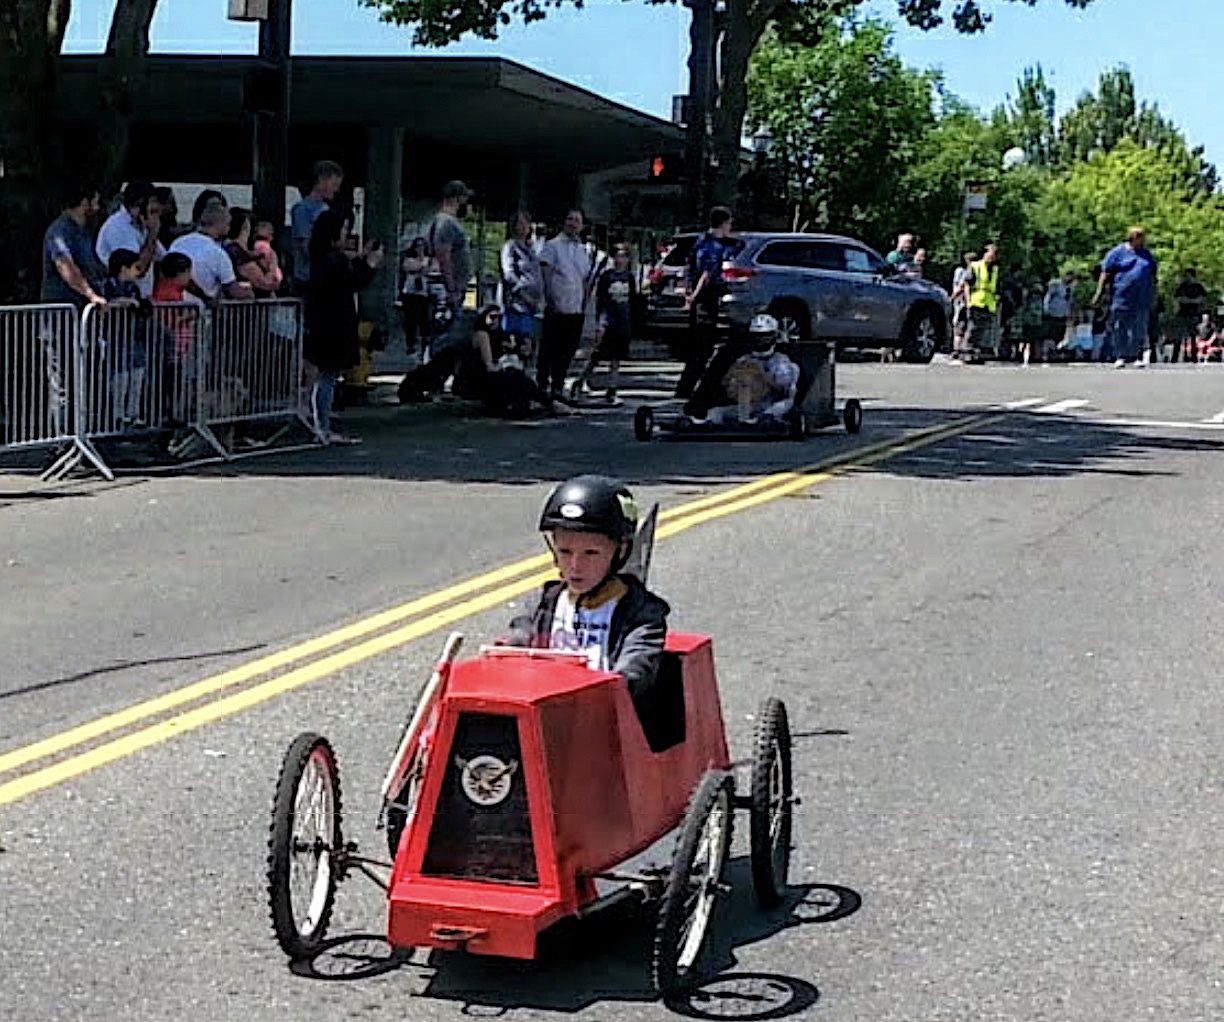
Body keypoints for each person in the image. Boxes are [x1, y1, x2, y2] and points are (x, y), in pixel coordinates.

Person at [504, 475, 669, 699]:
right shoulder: (543, 605)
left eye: (591, 553)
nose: (575, 566)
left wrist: (620, 683)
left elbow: (637, 667)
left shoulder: (642, 614)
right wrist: (507, 657)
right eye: (565, 552)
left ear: (620, 552)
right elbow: (515, 645)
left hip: (608, 721)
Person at [303, 209, 384, 445]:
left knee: (325, 376)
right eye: (344, 230)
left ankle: (320, 424)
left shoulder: (322, 258)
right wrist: (370, 264)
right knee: (328, 376)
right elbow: (353, 282)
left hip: (322, 322)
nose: (347, 235)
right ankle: (322, 427)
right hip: (333, 324)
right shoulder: (333, 261)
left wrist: (360, 258)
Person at [456, 304, 568, 418]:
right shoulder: (482, 335)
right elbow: (489, 365)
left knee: (518, 380)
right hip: (478, 378)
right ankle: (549, 403)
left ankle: (539, 404)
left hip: (490, 377)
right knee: (516, 377)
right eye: (492, 317)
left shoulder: (498, 336)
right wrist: (504, 367)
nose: (495, 321)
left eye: (498, 317)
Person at [700, 314, 800, 426]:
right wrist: (733, 381)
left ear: (774, 336)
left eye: (765, 336)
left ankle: (767, 419)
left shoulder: (781, 360)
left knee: (785, 404)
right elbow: (725, 385)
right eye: (757, 336)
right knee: (716, 411)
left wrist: (760, 375)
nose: (760, 340)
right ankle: (706, 422)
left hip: (769, 404)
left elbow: (784, 391)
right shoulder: (744, 359)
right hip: (747, 405)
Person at [677, 205, 735, 398]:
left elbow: (688, 267)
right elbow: (707, 273)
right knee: (703, 348)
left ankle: (688, 387)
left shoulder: (700, 241)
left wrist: (687, 292)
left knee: (698, 346)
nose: (730, 228)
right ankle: (688, 389)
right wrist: (695, 295)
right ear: (723, 223)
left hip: (698, 300)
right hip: (706, 300)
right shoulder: (714, 246)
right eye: (729, 224)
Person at [538, 209, 594, 398]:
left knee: (567, 350)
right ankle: (542, 385)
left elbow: (585, 278)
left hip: (575, 309)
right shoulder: (552, 246)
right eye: (570, 219)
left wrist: (584, 304)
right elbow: (545, 274)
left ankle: (558, 386)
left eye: (577, 220)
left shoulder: (582, 250)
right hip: (556, 307)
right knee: (549, 349)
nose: (573, 223)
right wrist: (549, 299)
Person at [574, 244, 636, 406]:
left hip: (623, 323)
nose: (620, 260)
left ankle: (612, 389)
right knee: (597, 355)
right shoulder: (607, 277)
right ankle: (580, 381)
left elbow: (633, 301)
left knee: (616, 358)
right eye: (618, 256)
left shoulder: (629, 278)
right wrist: (599, 324)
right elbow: (600, 301)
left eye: (624, 256)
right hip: (608, 322)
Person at [1094, 226, 1158, 369]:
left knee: (1139, 328)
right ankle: (1120, 356)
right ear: (1132, 238)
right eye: (1140, 237)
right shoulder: (1117, 253)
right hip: (1121, 297)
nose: (1143, 240)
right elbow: (1105, 273)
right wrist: (1100, 293)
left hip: (1142, 298)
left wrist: (1154, 294)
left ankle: (1135, 356)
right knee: (1119, 327)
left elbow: (1153, 275)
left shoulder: (1147, 254)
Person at [99, 249, 149, 429]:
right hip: (115, 338)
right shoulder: (107, 286)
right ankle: (117, 414)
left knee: (137, 375)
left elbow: (144, 308)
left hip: (134, 336)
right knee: (120, 377)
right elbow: (102, 306)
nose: (138, 272)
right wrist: (120, 303)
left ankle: (133, 413)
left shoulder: (134, 289)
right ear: (123, 268)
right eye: (135, 268)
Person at [169, 201, 255, 302]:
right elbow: (233, 290)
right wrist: (249, 293)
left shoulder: (178, 242)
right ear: (221, 223)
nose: (229, 227)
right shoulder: (218, 254)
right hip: (203, 310)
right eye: (228, 224)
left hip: (172, 305)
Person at [42, 181, 107, 309]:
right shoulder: (59, 230)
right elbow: (65, 266)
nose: (97, 208)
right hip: (62, 315)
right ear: (84, 202)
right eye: (95, 203)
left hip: (81, 311)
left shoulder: (85, 232)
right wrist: (91, 295)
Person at [95, 181, 165, 298]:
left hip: (140, 297)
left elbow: (163, 258)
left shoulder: (143, 227)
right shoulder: (118, 227)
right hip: (121, 298)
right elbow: (138, 268)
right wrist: (153, 233)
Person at [291, 160, 344, 293]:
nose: (336, 190)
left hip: (325, 277)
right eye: (334, 184)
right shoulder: (302, 210)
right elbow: (305, 245)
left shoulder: (327, 209)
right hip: (307, 278)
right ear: (321, 180)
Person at [500, 211, 543, 355]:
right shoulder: (510, 247)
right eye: (521, 223)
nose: (525, 227)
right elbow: (509, 274)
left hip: (532, 305)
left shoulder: (531, 248)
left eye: (527, 223)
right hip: (516, 304)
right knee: (515, 343)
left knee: (528, 343)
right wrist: (523, 293)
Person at [224, 208, 283, 297]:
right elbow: (266, 283)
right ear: (245, 228)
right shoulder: (239, 255)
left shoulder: (227, 248)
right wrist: (273, 263)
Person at [964, 243, 1001, 362]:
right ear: (985, 253)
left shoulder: (995, 269)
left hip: (988, 303)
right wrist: (968, 301)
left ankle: (976, 353)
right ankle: (967, 351)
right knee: (973, 328)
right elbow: (967, 285)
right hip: (976, 301)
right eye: (991, 253)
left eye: (995, 254)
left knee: (983, 330)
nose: (993, 256)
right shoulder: (976, 266)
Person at [399, 237, 433, 359]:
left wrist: (424, 265)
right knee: (411, 320)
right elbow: (410, 267)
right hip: (410, 293)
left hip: (423, 293)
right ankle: (411, 344)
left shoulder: (429, 259)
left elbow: (430, 270)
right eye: (418, 246)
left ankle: (425, 344)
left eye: (422, 246)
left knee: (424, 320)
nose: (420, 249)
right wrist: (420, 265)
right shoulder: (409, 260)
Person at [1173, 268, 1208, 364]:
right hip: (1182, 314)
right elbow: (1178, 299)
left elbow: (1202, 299)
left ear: (1192, 276)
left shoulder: (1198, 287)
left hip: (1194, 314)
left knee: (1193, 336)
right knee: (1178, 337)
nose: (1186, 277)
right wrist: (1193, 301)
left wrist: (1188, 301)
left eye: (1188, 275)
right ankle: (1174, 358)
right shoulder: (1182, 287)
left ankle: (1194, 357)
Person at [950, 251, 976, 359]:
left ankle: (957, 349)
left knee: (959, 326)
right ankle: (958, 349)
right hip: (966, 302)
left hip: (962, 303)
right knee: (963, 326)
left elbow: (960, 287)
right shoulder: (969, 271)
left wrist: (951, 298)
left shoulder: (962, 271)